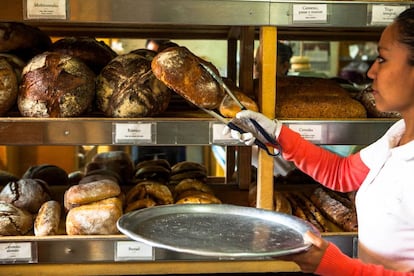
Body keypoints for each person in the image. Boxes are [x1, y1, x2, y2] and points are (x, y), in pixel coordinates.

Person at [225, 6, 414, 275]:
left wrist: (335, 265)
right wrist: (277, 135)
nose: (371, 72)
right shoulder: (398, 133)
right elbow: (342, 173)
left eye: (382, 59)